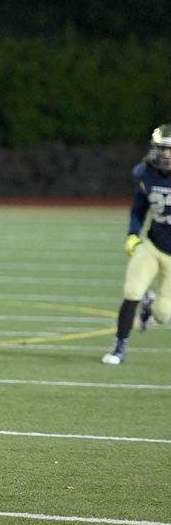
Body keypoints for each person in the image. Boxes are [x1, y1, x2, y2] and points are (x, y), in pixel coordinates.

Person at [101, 123, 171, 364]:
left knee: (163, 315)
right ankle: (119, 346)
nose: (166, 154)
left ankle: (150, 306)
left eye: (170, 149)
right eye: (162, 148)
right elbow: (139, 208)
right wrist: (133, 234)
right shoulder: (145, 173)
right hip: (153, 245)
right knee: (131, 291)